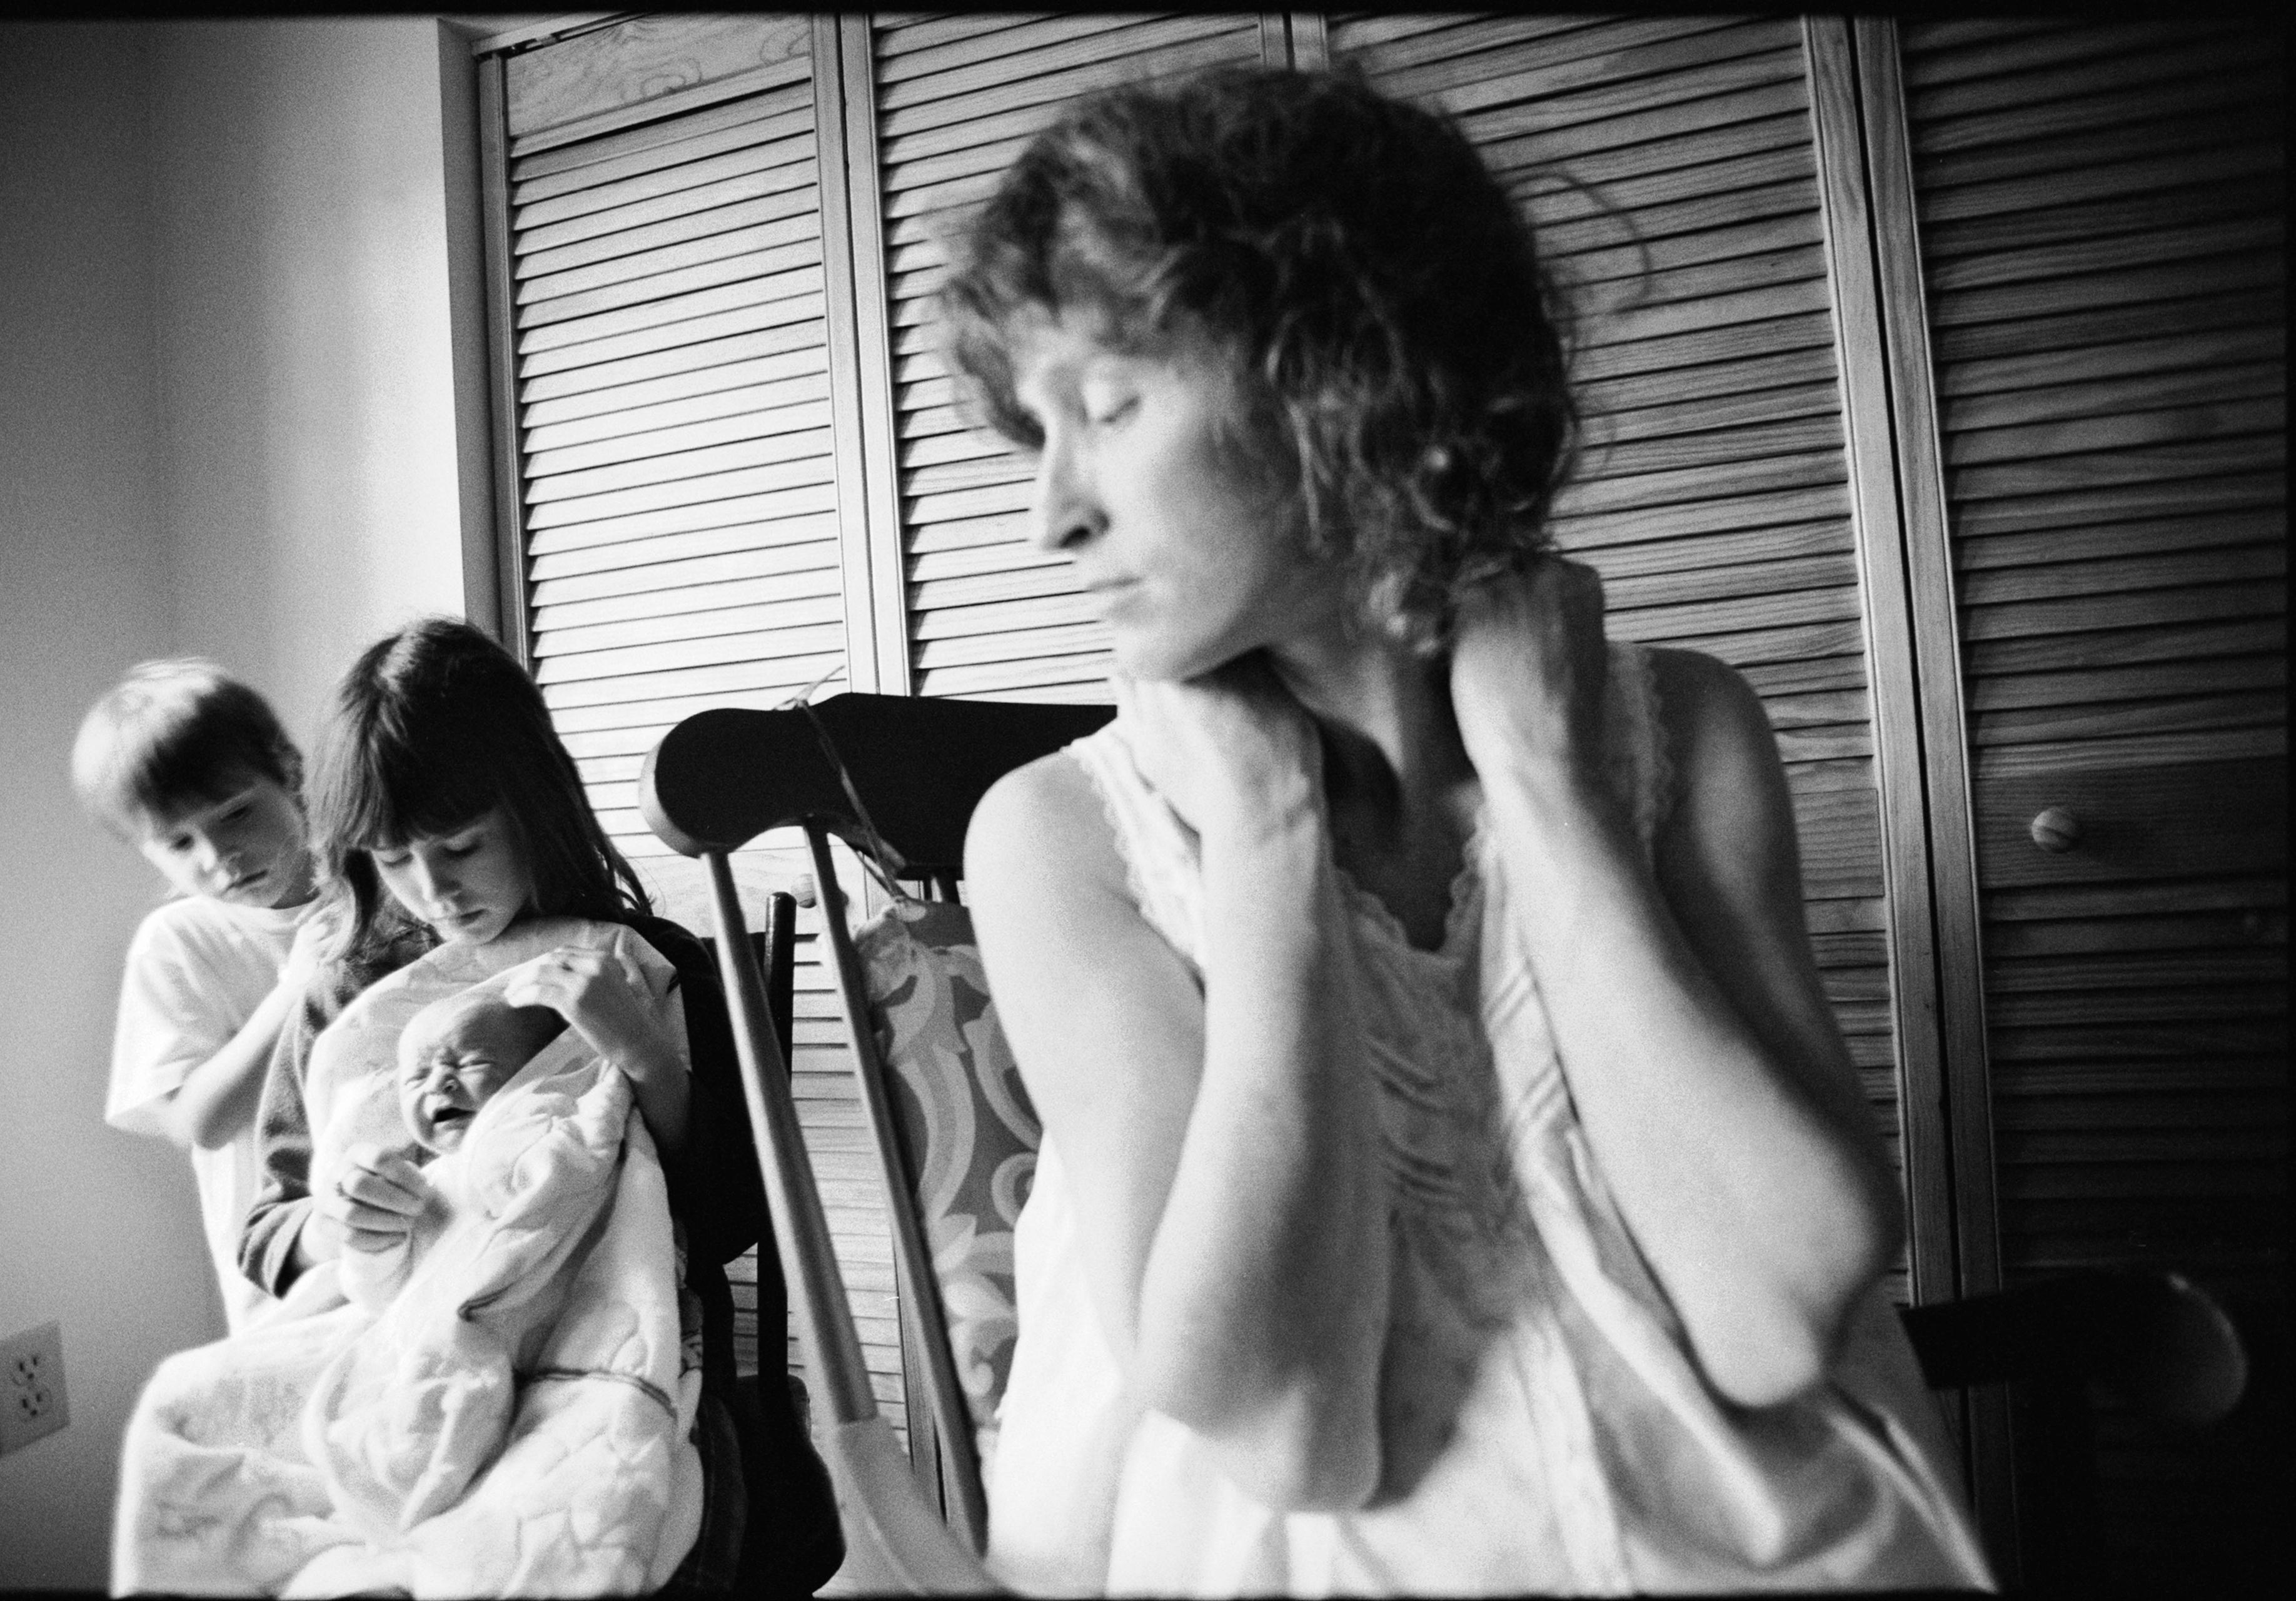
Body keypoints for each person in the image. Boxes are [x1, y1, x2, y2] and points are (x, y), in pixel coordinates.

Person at [947, 67, 1994, 1593]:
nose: (1049, 516)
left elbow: (1775, 1320)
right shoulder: (1053, 838)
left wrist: (1549, 785)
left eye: (1107, 408)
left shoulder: (1683, 730)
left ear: (1348, 382)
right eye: (1031, 431)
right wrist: (1265, 837)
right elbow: (1292, 1437)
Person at [236, 615, 764, 1316]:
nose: (433, 891)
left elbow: (734, 1220)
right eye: (393, 859)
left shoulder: (647, 963)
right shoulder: (352, 991)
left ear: (536, 806)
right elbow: (265, 1233)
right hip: (404, 1343)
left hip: (610, 1332)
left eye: (462, 847)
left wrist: (645, 1056)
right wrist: (335, 1222)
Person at [74, 659, 328, 1334]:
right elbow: (197, 1122)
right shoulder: (179, 942)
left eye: (237, 814)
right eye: (180, 842)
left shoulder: (378, 886)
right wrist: (298, 989)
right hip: (289, 1284)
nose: (220, 857)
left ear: (289, 773)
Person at [395, 984, 568, 1157]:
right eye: (416, 1078)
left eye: (472, 1063)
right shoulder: (428, 1172)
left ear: (549, 1066)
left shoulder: (559, 1138)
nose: (435, 1085)